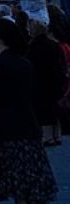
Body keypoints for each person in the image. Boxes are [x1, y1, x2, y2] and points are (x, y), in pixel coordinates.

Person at [0, 18, 58, 204]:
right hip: (29, 129)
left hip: (9, 134)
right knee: (31, 191)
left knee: (21, 192)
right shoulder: (24, 63)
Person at [25, 18, 67, 146]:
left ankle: (48, 137)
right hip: (55, 80)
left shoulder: (32, 47)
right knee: (56, 108)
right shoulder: (54, 45)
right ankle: (57, 135)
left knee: (44, 111)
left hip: (40, 82)